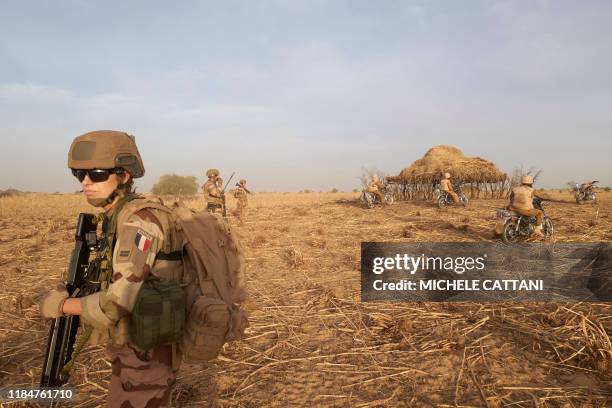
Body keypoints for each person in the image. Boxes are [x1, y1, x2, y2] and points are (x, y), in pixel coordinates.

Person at [39, 130, 183, 407]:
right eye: (78, 174)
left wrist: (61, 305)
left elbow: (116, 304)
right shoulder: (117, 215)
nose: (86, 182)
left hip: (147, 351)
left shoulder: (138, 221)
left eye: (97, 173)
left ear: (124, 175)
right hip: (137, 340)